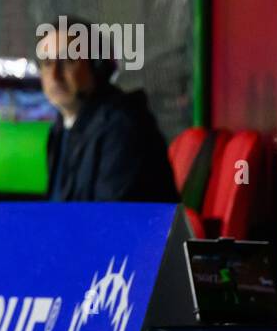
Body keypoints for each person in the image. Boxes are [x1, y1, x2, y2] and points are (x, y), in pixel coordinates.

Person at [37, 15, 177, 203]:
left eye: (68, 60)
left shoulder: (123, 127)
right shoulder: (61, 129)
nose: (54, 75)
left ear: (98, 66)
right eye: (47, 63)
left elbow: (106, 223)